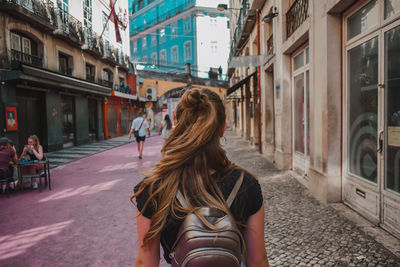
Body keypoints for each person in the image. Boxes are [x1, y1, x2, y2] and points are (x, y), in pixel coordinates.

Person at [132, 89, 269, 267]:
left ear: (178, 124)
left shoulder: (154, 187)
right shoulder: (246, 184)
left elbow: (146, 262)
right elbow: (257, 260)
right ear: (222, 128)